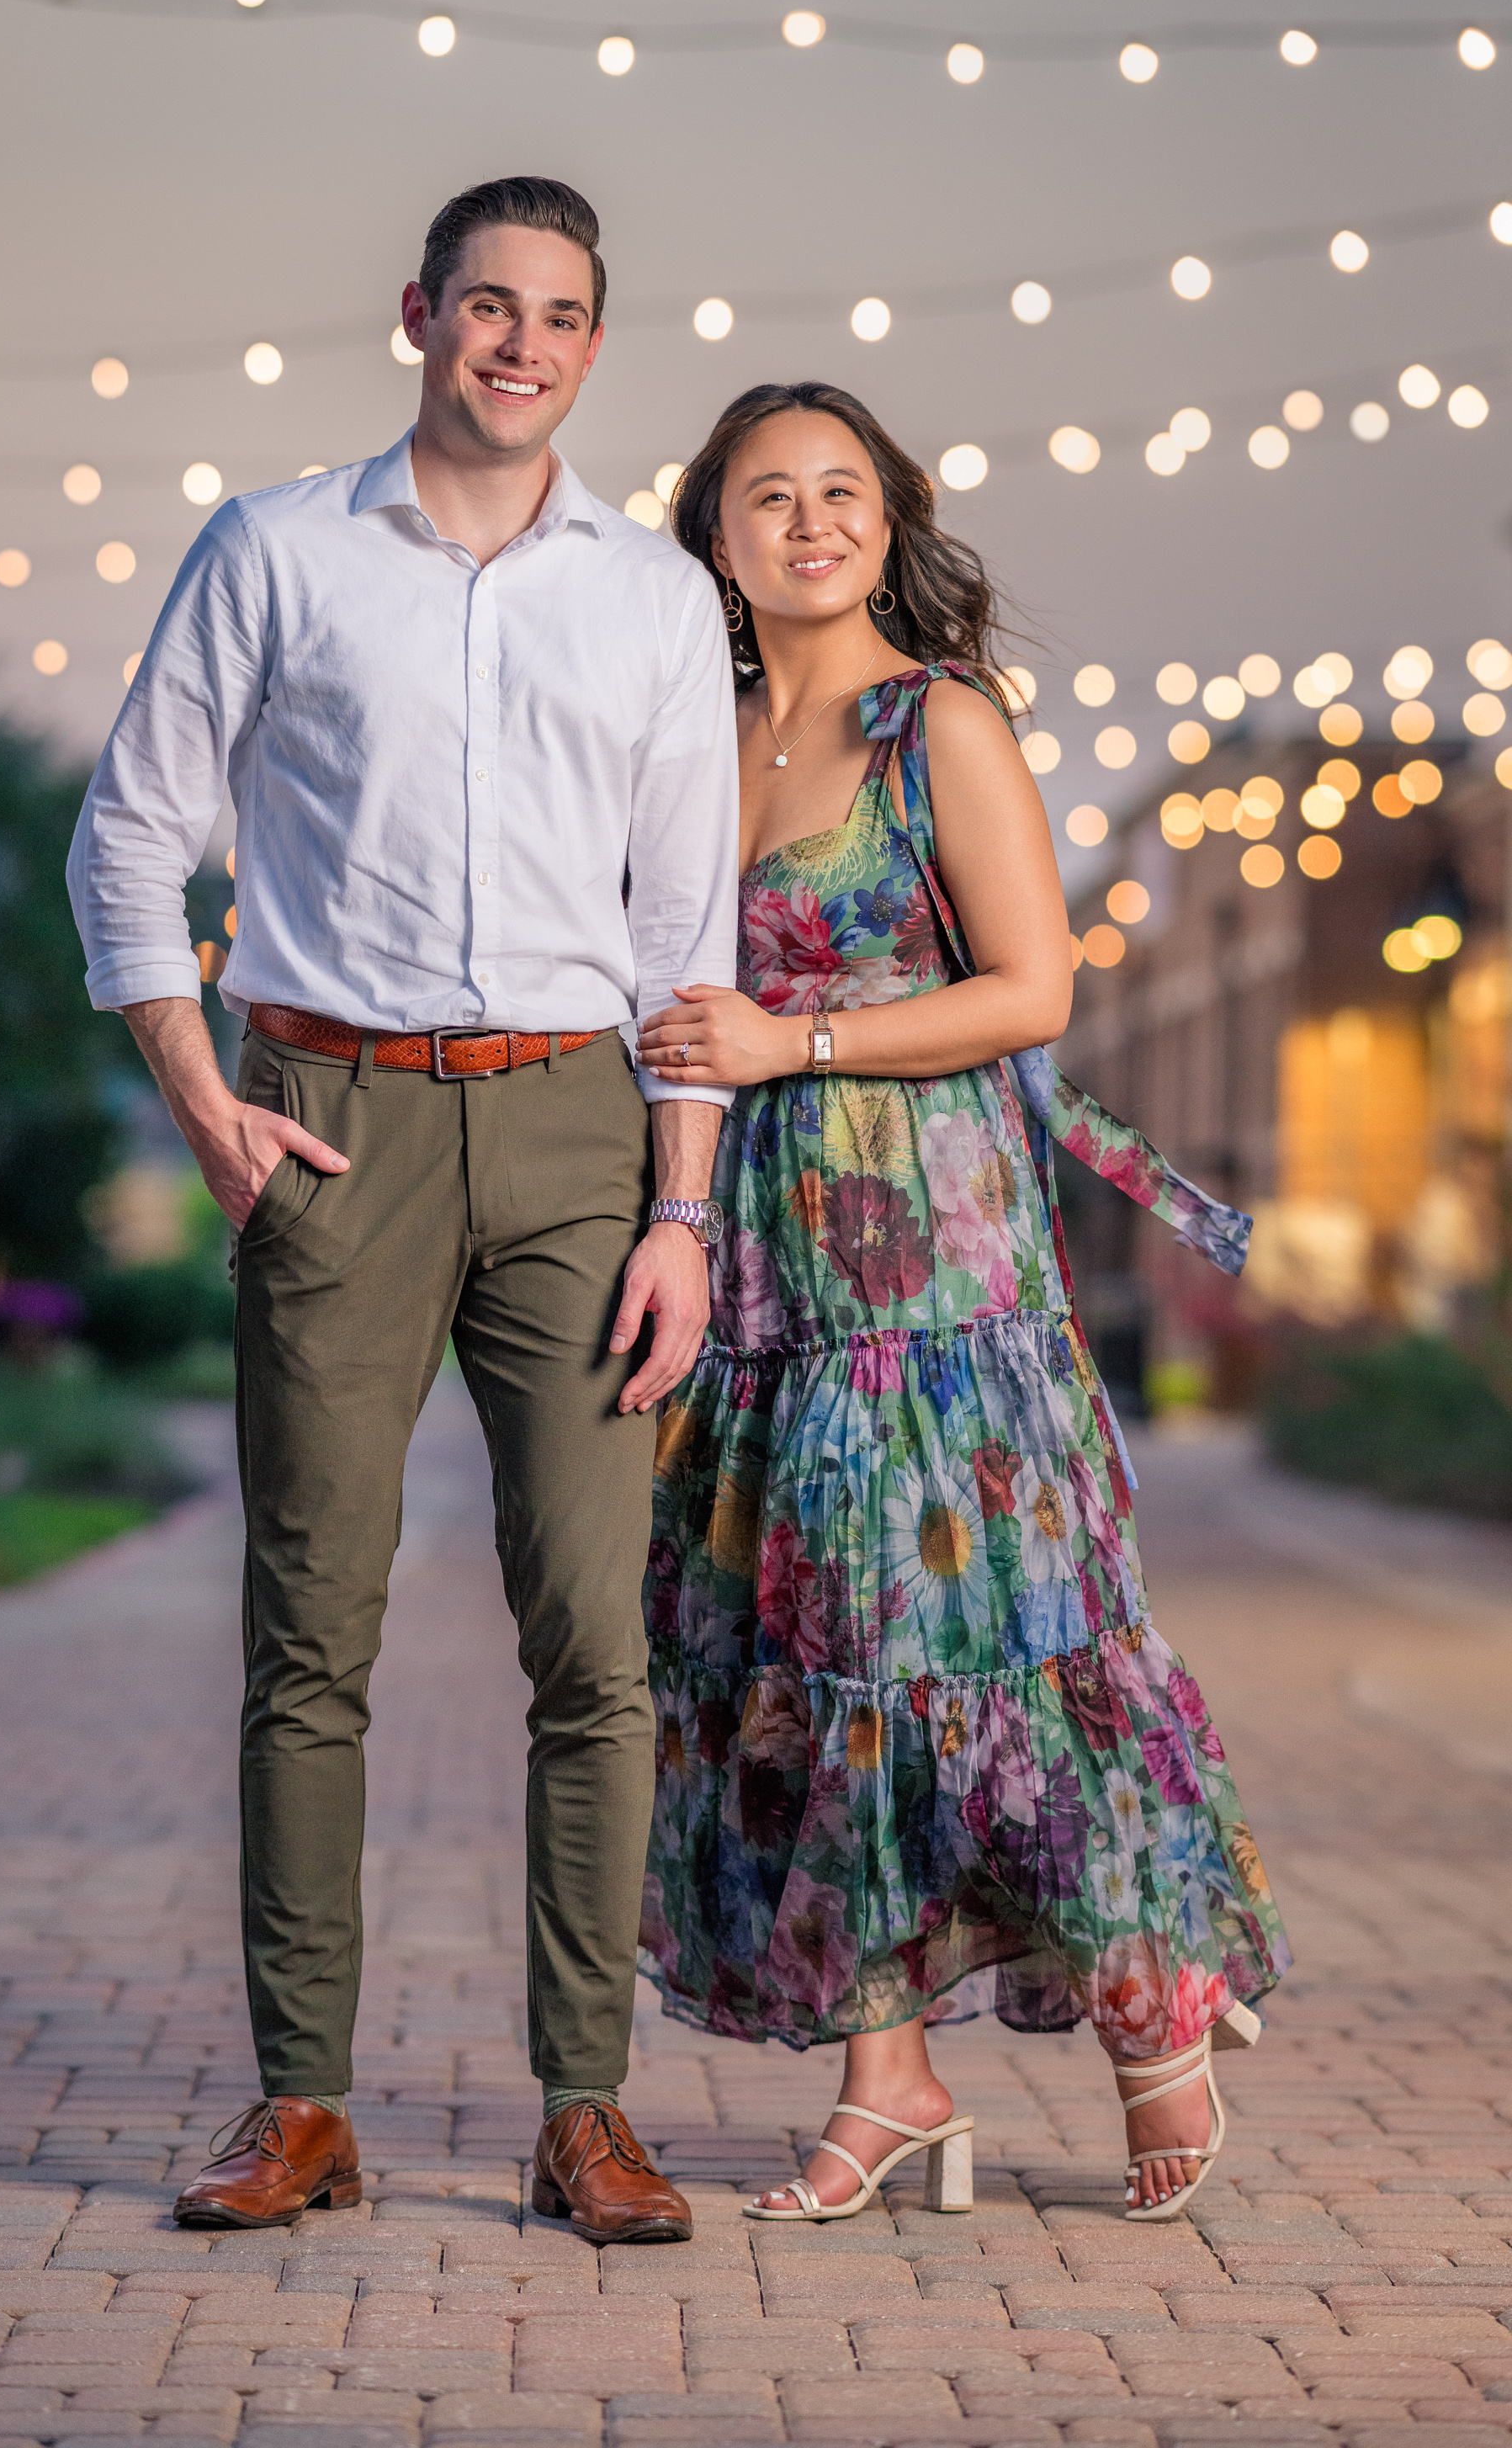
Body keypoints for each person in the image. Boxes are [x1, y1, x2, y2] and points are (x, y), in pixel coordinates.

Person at [66, 177, 741, 2245]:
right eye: (487, 305)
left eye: (559, 315)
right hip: (326, 1119)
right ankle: (301, 2104)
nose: (519, 344)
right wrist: (205, 1106)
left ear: (592, 347)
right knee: (310, 1638)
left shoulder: (653, 599)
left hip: (574, 1137)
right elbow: (129, 839)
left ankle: (585, 2110)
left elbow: (683, 939)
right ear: (419, 315)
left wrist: (684, 1215)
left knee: (593, 1648)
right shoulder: (273, 550)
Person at [634, 381, 1289, 2225]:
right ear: (715, 537)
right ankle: (891, 2078)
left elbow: (1032, 991)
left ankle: (1152, 2011)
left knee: (988, 1641)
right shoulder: (687, 737)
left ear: (890, 519)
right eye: (771, 496)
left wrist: (792, 1040)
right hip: (760, 1266)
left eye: (842, 491)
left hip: (936, 1279)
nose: (811, 523)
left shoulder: (938, 722)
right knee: (805, 1665)